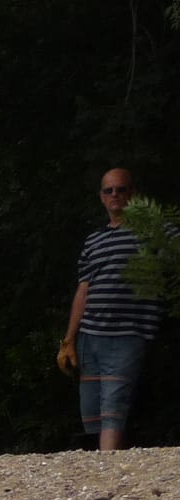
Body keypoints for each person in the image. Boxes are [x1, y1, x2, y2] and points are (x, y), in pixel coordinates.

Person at [59, 167, 163, 451]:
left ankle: (108, 475)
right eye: (109, 190)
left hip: (128, 333)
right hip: (90, 336)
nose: (115, 195)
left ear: (134, 193)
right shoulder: (94, 240)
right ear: (102, 197)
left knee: (113, 408)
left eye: (121, 189)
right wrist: (69, 339)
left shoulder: (152, 232)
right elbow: (84, 289)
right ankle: (102, 472)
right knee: (92, 413)